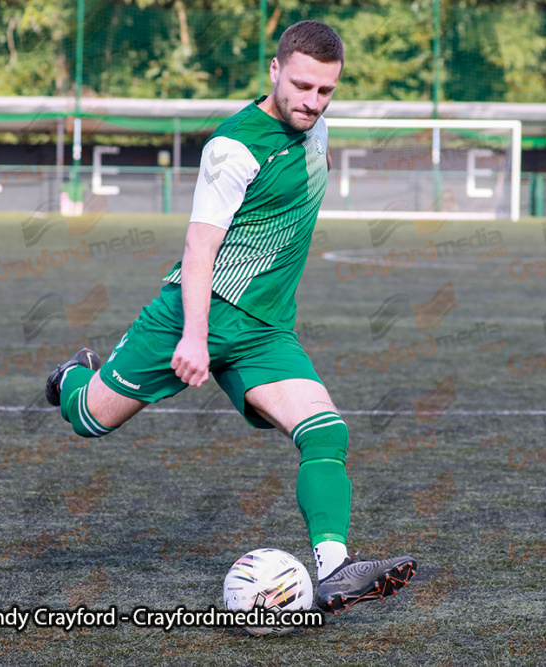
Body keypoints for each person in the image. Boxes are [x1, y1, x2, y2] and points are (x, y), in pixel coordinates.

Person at [44, 20, 416, 614]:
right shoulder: (233, 148)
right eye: (301, 87)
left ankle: (334, 567)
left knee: (326, 432)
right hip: (193, 314)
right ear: (274, 71)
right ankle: (71, 379)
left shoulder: (315, 128)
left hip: (263, 330)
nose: (312, 102)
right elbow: (199, 249)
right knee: (92, 420)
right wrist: (193, 335)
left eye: (326, 92)